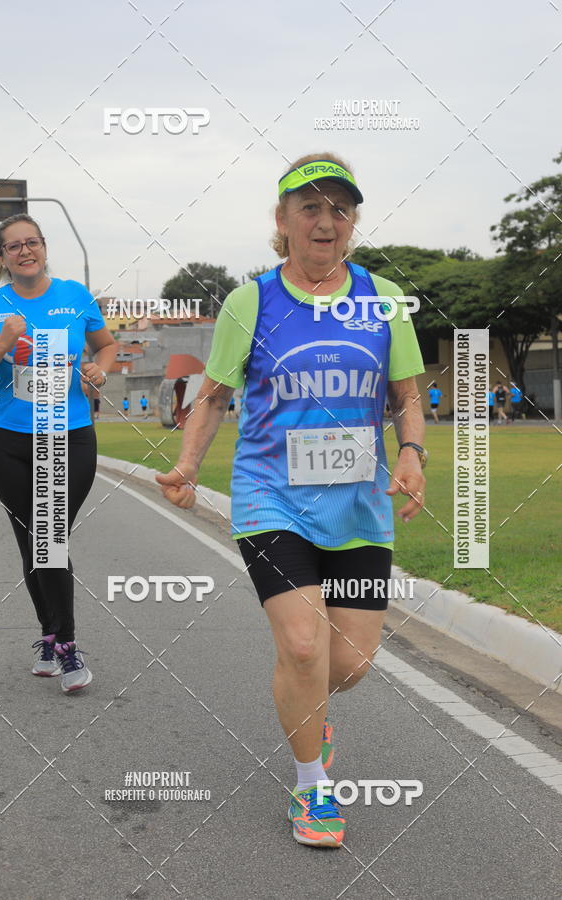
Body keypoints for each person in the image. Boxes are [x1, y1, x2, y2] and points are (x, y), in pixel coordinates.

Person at [157, 153, 426, 848]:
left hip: (359, 506)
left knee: (351, 664)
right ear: (282, 222)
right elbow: (213, 397)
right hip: (271, 495)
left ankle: (314, 715)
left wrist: (411, 453)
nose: (325, 220)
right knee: (304, 647)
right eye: (310, 207)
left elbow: (407, 395)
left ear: (353, 222)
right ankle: (313, 791)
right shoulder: (251, 303)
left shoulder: (384, 297)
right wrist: (186, 465)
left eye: (339, 208)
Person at [0, 213, 117, 692]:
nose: (25, 251)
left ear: (44, 247)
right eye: (14, 246)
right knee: (33, 541)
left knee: (49, 537)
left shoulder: (75, 297)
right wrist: (3, 343)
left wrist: (99, 368)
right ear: (3, 257)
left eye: (32, 242)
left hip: (68, 435)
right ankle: (52, 638)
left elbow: (107, 346)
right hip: (9, 438)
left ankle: (66, 648)